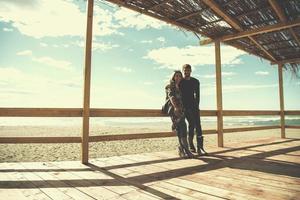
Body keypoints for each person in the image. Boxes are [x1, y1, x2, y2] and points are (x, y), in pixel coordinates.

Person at [179, 64, 207, 155]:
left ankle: (200, 147)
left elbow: (197, 95)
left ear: (191, 71)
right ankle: (191, 145)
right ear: (183, 71)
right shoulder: (180, 81)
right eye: (185, 70)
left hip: (194, 106)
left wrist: (197, 106)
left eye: (188, 70)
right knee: (191, 124)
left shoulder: (195, 81)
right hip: (185, 107)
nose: (187, 72)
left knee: (198, 125)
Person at [165, 70, 194, 159]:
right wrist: (176, 107)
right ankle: (186, 149)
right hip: (174, 109)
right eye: (176, 76)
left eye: (179, 76)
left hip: (180, 109)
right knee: (182, 127)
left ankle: (182, 149)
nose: (178, 77)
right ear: (173, 77)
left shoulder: (179, 87)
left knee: (181, 128)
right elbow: (171, 96)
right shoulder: (169, 86)